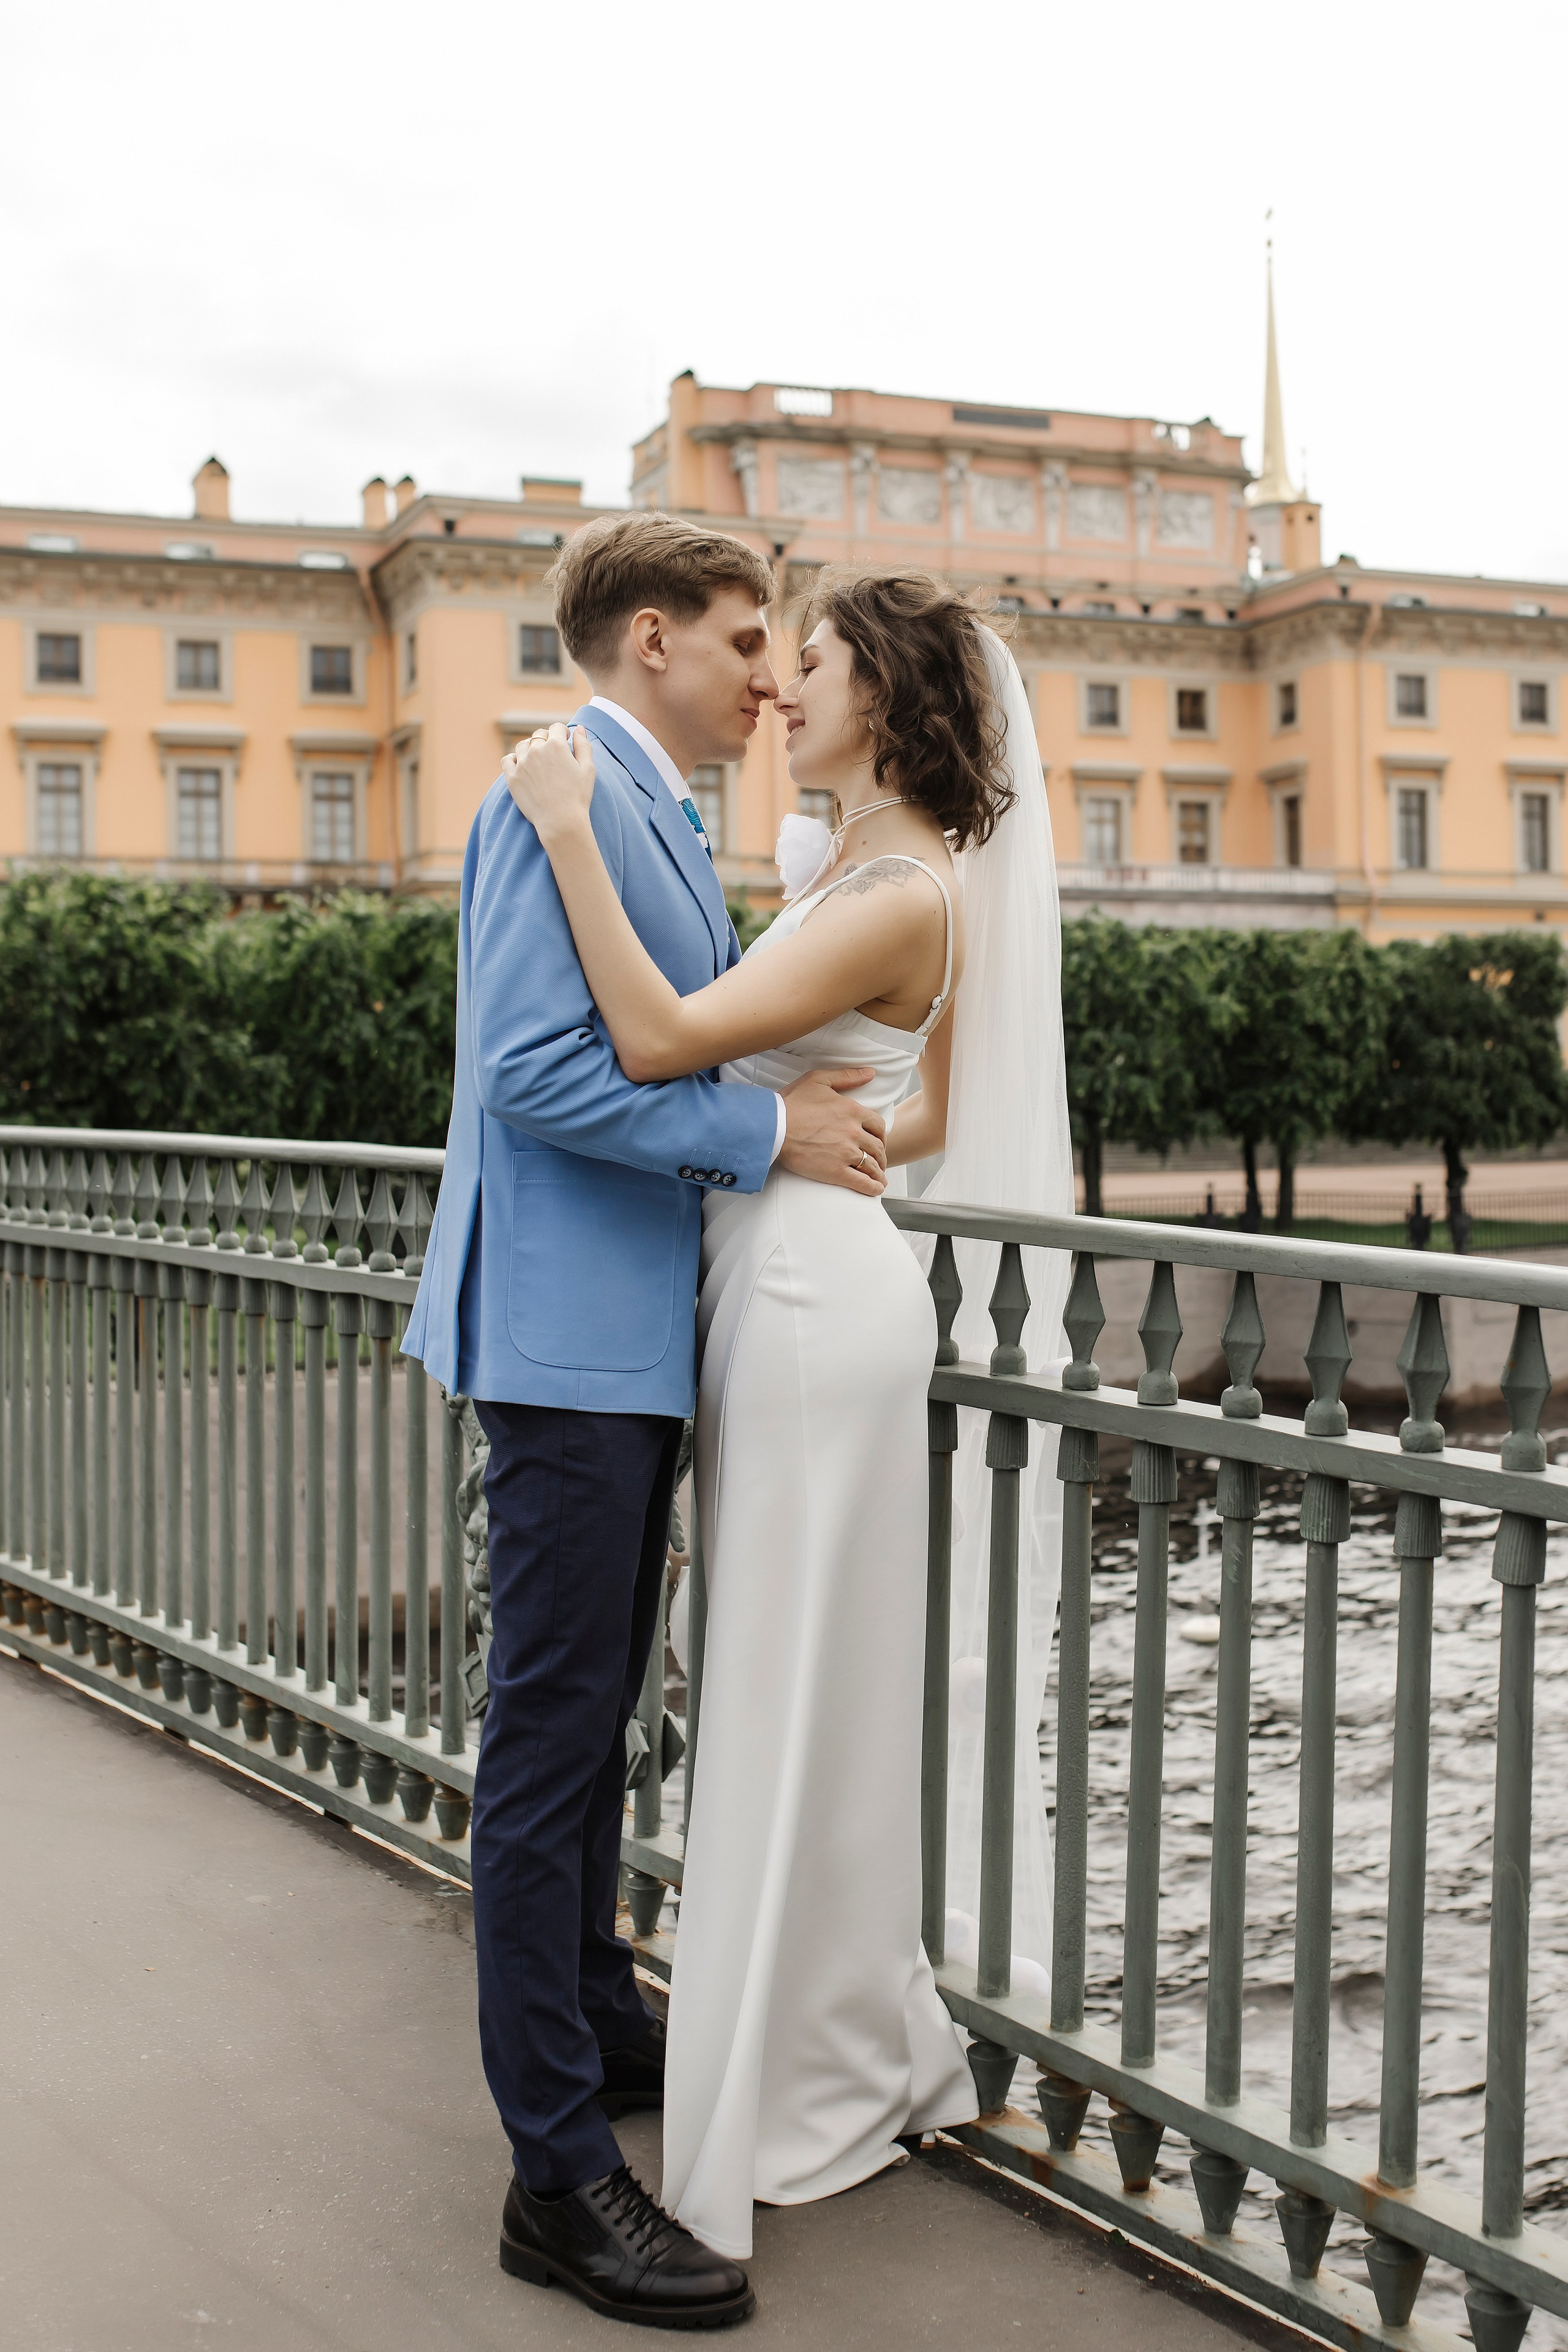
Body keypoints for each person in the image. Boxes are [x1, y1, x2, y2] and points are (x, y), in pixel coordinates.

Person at [503, 568, 1074, 2263]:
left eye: (805, 662)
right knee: (798, 1685)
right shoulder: (888, 878)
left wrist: (570, 835)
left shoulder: (896, 891)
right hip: (816, 1278)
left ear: (884, 700)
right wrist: (828, 1119)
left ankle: (786, 2071)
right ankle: (816, 2043)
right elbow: (927, 1112)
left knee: (770, 1684)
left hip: (815, 1305)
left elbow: (661, 1033)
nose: (780, 689)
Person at [402, 512, 891, 2331]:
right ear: (653, 638)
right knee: (548, 1748)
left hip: (616, 1340)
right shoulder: (582, 797)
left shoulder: (637, 805)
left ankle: (597, 2022)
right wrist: (766, 1137)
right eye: (748, 638)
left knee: (593, 1719)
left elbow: (665, 1032)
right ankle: (554, 2174)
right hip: (567, 1343)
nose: (769, 674)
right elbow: (537, 1077)